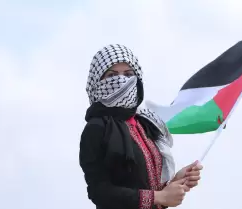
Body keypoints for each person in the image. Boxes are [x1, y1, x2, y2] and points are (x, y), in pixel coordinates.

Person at [79, 44, 203, 209]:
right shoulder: (96, 128)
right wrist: (160, 197)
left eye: (129, 74)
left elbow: (150, 188)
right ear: (98, 81)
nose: (121, 80)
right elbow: (100, 192)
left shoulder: (145, 123)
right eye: (112, 75)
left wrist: (176, 182)